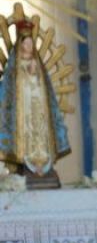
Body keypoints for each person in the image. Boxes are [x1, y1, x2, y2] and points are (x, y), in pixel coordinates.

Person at [0, 19, 71, 178]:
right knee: (26, 131)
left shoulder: (37, 62)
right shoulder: (15, 65)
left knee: (40, 131)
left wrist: (35, 76)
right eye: (26, 43)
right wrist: (26, 77)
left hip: (38, 105)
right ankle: (24, 158)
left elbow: (45, 87)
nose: (30, 46)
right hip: (23, 109)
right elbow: (10, 90)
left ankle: (42, 161)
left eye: (31, 43)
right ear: (21, 44)